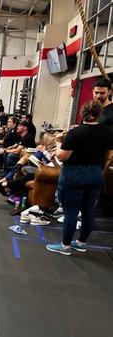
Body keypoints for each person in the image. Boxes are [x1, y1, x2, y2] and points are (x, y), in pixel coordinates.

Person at [46, 100, 113, 255]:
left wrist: (57, 143)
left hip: (74, 176)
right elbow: (109, 156)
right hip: (95, 175)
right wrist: (99, 169)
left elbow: (62, 157)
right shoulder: (108, 132)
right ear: (99, 114)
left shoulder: (75, 133)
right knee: (89, 211)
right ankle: (81, 243)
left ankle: (65, 246)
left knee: (71, 211)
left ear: (82, 113)